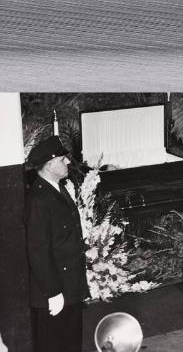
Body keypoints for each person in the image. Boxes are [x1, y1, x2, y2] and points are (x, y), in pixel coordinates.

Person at [25, 136, 89, 352]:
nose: (68, 162)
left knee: (70, 343)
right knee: (53, 345)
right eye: (63, 159)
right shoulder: (38, 199)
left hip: (68, 285)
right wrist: (53, 292)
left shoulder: (56, 189)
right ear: (50, 164)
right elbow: (38, 251)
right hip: (54, 291)